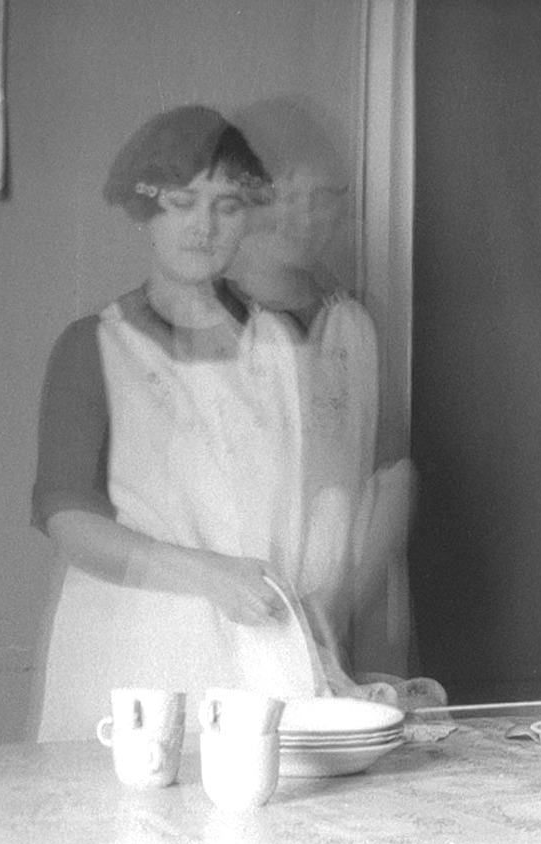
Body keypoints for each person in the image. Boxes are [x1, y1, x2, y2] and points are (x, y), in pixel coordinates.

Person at [29, 104, 362, 744]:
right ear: (144, 212)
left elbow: (309, 504)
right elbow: (70, 522)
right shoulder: (94, 346)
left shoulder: (281, 346)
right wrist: (208, 576)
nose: (203, 227)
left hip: (257, 644)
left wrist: (315, 624)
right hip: (133, 656)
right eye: (182, 203)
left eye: (227, 206)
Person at [228, 97, 428, 703]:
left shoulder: (354, 325)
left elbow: (394, 475)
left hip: (338, 613)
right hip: (234, 616)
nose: (303, 217)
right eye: (282, 195)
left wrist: (339, 604)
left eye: (322, 198)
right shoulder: (203, 325)